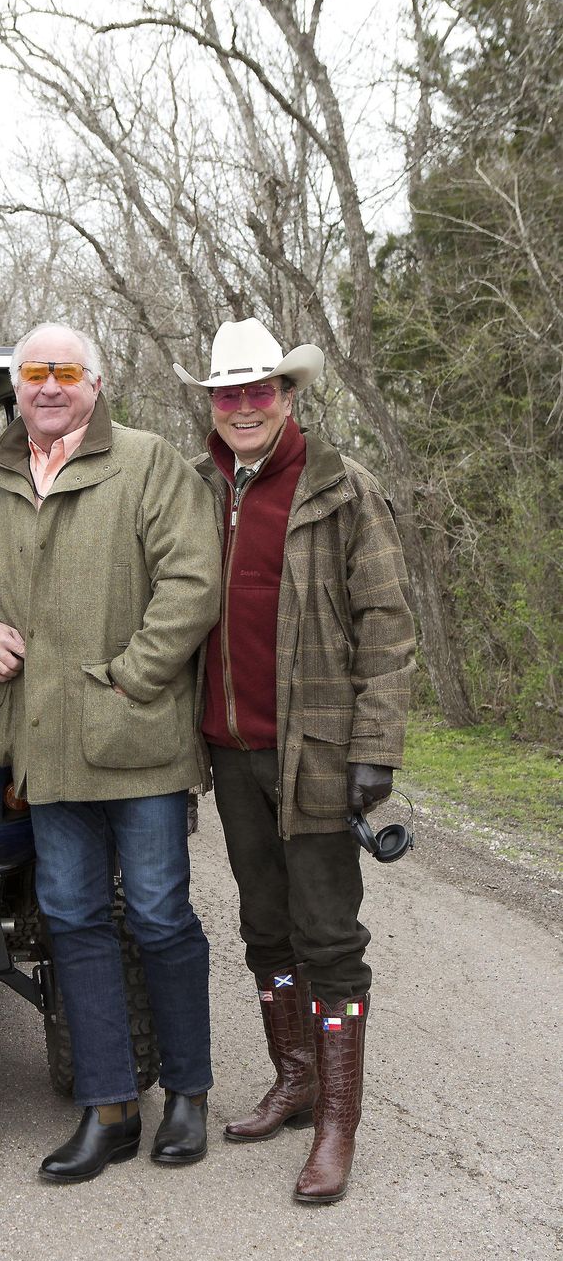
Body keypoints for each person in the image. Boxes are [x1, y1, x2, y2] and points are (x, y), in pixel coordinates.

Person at [0, 323, 221, 1183]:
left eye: (66, 372)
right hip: (44, 746)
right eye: (35, 372)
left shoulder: (149, 463)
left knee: (157, 915)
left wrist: (129, 681)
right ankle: (108, 1107)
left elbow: (193, 583)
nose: (49, 386)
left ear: (97, 383)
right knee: (72, 919)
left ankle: (186, 1094)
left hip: (136, 739)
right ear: (16, 386)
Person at [174, 318, 416, 1204]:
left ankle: (337, 1124)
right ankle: (296, 1076)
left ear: (286, 396)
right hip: (227, 747)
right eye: (228, 394)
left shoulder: (342, 487)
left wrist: (374, 747)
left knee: (328, 937)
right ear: (213, 403)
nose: (244, 407)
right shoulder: (194, 489)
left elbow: (388, 623)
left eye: (259, 391)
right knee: (264, 927)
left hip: (315, 750)